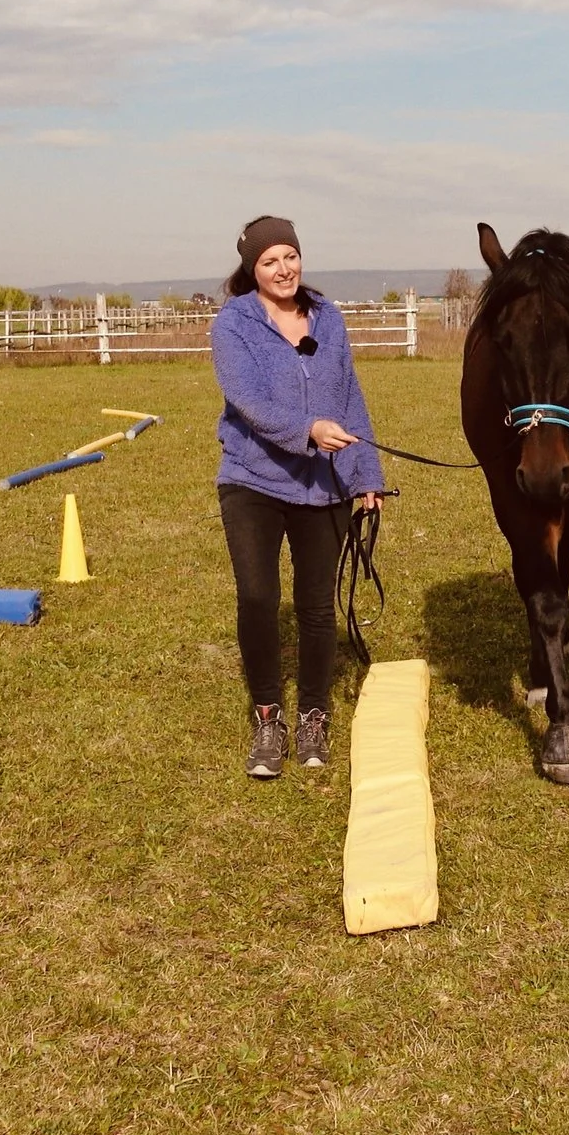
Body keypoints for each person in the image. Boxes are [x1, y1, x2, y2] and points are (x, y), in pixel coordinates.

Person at [210, 215, 386, 779]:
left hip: (324, 485)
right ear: (251, 269)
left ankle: (312, 713)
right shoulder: (233, 324)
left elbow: (349, 395)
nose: (283, 269)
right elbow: (248, 400)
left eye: (289, 256)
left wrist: (366, 475)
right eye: (269, 261)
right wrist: (308, 428)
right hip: (252, 480)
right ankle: (268, 716)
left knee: (315, 607)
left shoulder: (329, 318)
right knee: (258, 598)